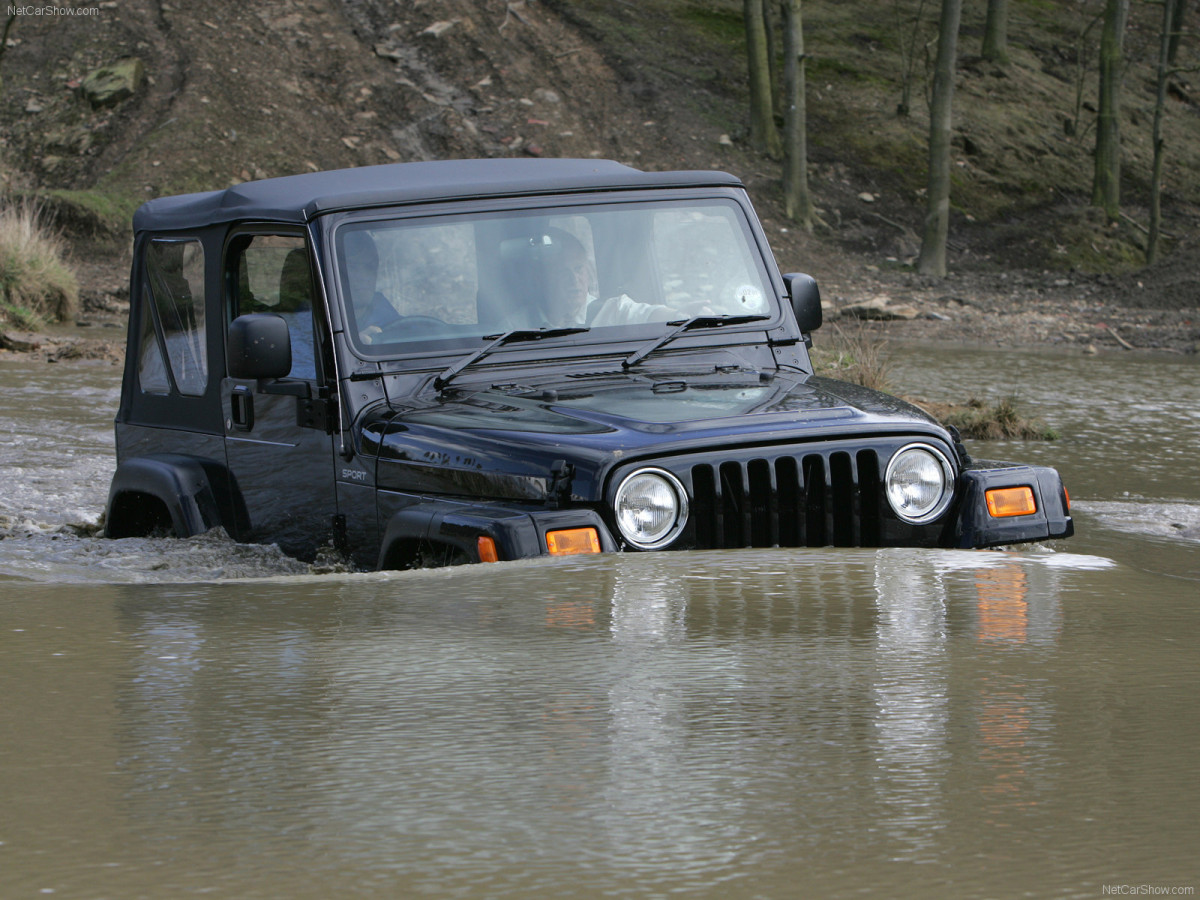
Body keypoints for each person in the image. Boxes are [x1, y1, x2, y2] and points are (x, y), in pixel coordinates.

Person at [537, 230, 677, 328]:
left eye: (578, 269)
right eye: (563, 272)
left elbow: (652, 315)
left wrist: (685, 315)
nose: (574, 280)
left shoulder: (612, 310)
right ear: (547, 279)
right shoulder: (518, 324)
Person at [342, 229, 400, 343]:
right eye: (353, 267)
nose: (364, 276)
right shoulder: (309, 325)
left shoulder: (398, 326)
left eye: (369, 267)